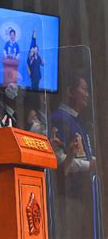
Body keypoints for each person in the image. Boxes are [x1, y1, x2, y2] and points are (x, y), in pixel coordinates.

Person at [49, 73, 96, 239]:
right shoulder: (59, 118)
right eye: (83, 89)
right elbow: (59, 160)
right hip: (66, 198)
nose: (87, 94)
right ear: (70, 91)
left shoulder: (77, 121)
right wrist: (89, 166)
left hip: (80, 196)